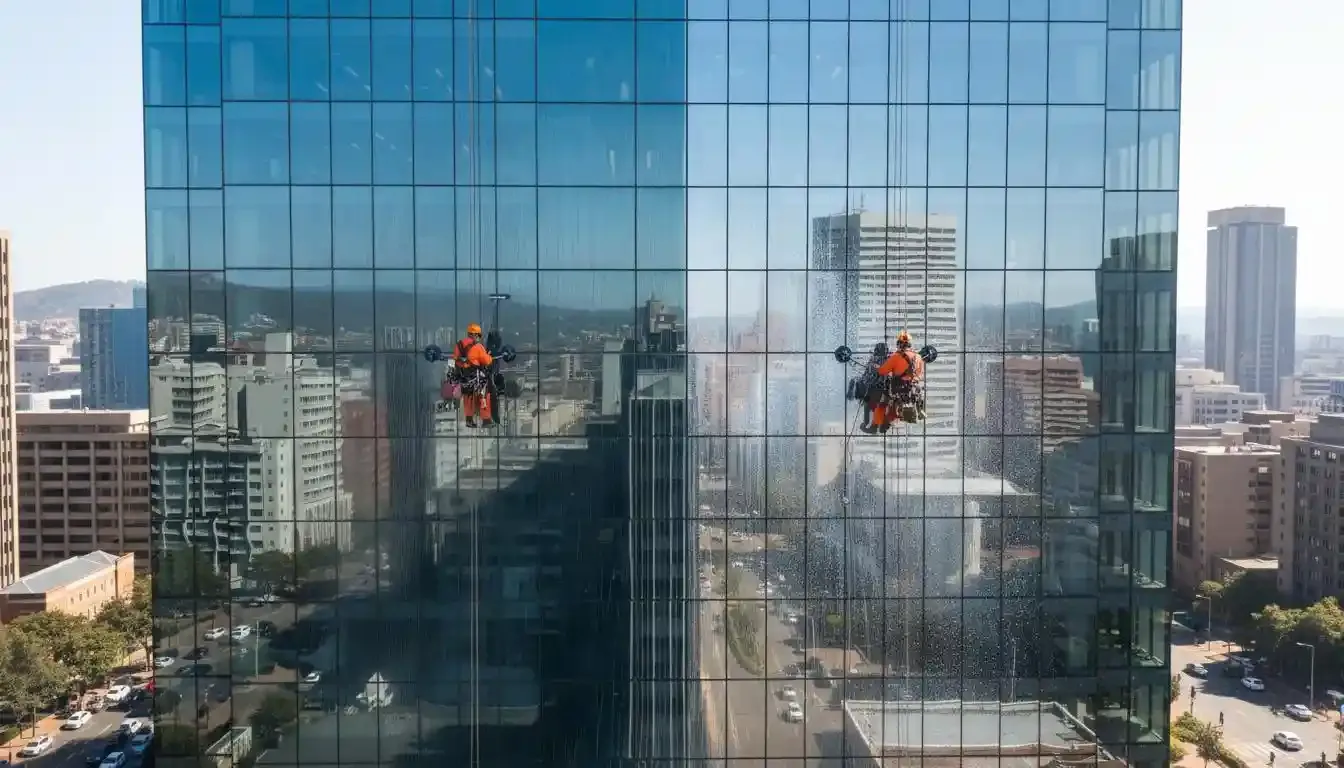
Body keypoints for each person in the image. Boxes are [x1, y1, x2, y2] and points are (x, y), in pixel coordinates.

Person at [870, 330, 925, 432]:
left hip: (897, 390)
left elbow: (882, 371)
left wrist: (876, 366)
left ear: (899, 344)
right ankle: (919, 410)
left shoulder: (895, 357)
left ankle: (876, 424)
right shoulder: (918, 357)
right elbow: (920, 375)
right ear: (910, 344)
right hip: (913, 390)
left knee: (882, 403)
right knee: (913, 398)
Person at [453, 322, 496, 427]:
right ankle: (486, 420)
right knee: (484, 397)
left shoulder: (459, 345)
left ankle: (469, 421)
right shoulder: (478, 347)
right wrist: (489, 356)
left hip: (464, 378)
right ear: (476, 335)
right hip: (477, 378)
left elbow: (456, 358)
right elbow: (487, 361)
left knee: (468, 399)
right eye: (479, 336)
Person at [855, 342, 890, 434]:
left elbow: (867, 375)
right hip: (885, 390)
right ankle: (881, 425)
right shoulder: (889, 360)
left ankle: (868, 424)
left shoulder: (874, 360)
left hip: (874, 388)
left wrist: (864, 384)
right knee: (880, 408)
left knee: (868, 407)